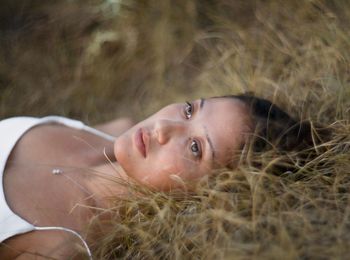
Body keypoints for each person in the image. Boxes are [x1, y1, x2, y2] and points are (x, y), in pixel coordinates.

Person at [0, 94, 330, 259]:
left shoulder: (58, 246)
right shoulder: (115, 130)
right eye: (190, 110)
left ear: (209, 198)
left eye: (196, 149)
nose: (161, 128)